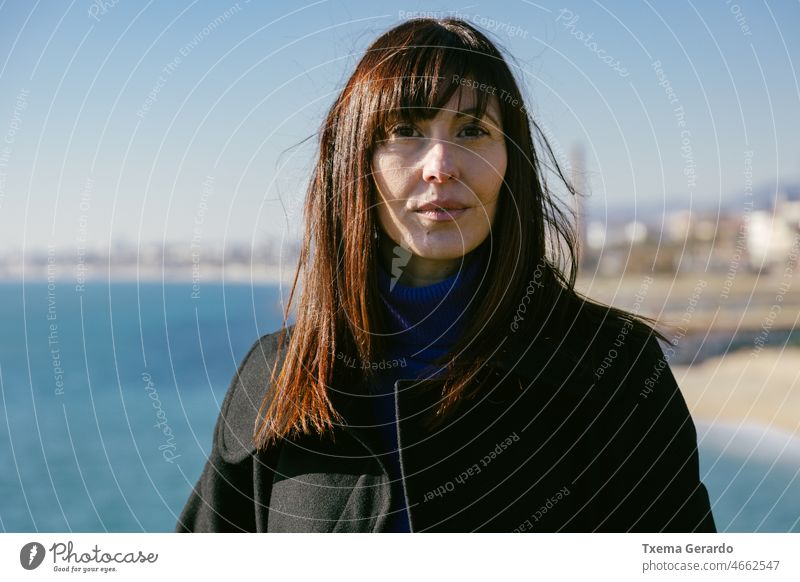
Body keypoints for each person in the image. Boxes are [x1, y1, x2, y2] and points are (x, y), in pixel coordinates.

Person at [176, 17, 716, 533]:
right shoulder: (278, 380)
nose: (441, 164)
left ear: (513, 161)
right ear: (356, 161)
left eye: (473, 130)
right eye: (406, 129)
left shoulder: (613, 368)